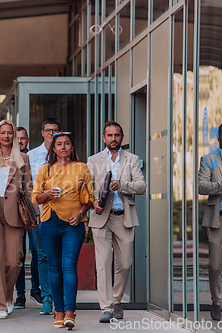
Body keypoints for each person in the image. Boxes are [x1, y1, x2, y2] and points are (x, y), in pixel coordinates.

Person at [0, 119, 38, 319]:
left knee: (14, 260)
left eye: (9, 132)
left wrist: (35, 214)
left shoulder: (23, 159)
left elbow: (29, 189)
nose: (6, 136)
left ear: (14, 136)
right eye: (2, 132)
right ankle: (0, 305)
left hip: (15, 212)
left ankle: (7, 295)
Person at [32, 132, 94, 330]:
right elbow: (35, 198)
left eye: (67, 143)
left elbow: (90, 198)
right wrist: (47, 194)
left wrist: (81, 213)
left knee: (69, 266)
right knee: (54, 268)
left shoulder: (81, 168)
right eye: (59, 144)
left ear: (72, 147)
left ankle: (69, 311)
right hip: (49, 222)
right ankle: (58, 311)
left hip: (72, 224)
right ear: (54, 148)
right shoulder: (45, 169)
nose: (63, 147)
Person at [87, 121, 146, 323]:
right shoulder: (93, 160)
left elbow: (141, 186)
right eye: (109, 135)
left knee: (125, 264)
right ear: (104, 138)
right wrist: (94, 201)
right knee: (103, 264)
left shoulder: (132, 159)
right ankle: (106, 307)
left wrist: (122, 184)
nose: (113, 138)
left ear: (122, 137)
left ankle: (117, 300)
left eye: (117, 135)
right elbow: (88, 188)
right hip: (101, 217)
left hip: (124, 217)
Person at [27, 117, 63, 315]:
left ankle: (61, 296)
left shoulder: (65, 155)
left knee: (60, 256)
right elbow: (28, 188)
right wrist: (36, 213)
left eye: (55, 130)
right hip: (40, 214)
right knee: (42, 256)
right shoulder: (31, 156)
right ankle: (47, 297)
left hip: (63, 214)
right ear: (42, 133)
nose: (51, 133)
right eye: (48, 130)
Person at [198, 122, 222, 321]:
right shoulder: (209, 160)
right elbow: (202, 186)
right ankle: (216, 302)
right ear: (219, 138)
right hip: (219, 219)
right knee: (215, 265)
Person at [14, 126, 43, 309]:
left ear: (28, 140)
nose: (19, 141)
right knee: (17, 255)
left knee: (37, 252)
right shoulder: (6, 160)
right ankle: (19, 295)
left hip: (32, 212)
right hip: (14, 213)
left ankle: (35, 290)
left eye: (23, 138)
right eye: (17, 138)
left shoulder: (34, 158)